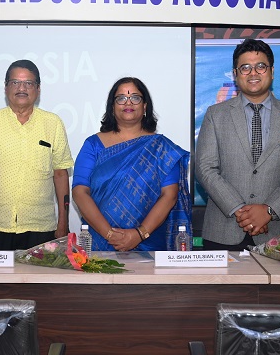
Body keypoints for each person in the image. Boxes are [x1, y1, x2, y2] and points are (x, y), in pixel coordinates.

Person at [196, 38, 280, 250]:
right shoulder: (216, 115)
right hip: (225, 230)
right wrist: (240, 210)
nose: (253, 73)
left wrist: (269, 210)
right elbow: (206, 168)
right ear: (235, 74)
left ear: (272, 71)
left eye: (260, 66)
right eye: (245, 68)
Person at [71, 77, 192, 251]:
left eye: (135, 97)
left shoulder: (161, 148)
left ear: (145, 106)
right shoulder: (93, 145)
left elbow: (169, 195)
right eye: (121, 98)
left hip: (148, 245)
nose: (128, 102)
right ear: (112, 107)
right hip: (101, 243)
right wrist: (110, 235)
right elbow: (80, 191)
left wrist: (139, 234)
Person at [0, 59, 73, 251]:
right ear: (6, 87)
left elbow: (60, 174)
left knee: (40, 273)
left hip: (41, 227)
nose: (21, 88)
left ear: (38, 89)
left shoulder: (53, 123)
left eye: (28, 83)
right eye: (15, 82)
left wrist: (63, 222)